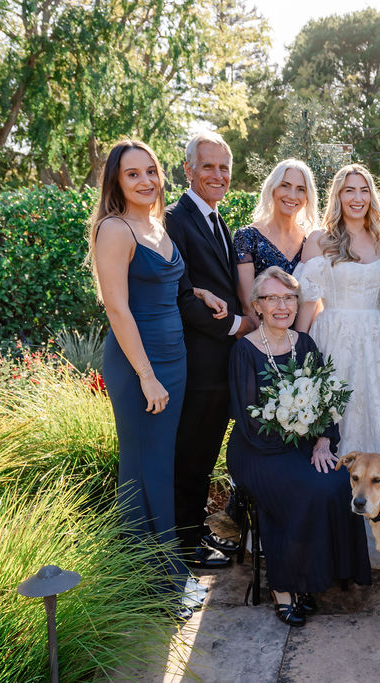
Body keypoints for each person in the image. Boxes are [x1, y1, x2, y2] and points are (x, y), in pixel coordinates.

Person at [88, 139, 228, 617]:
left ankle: (162, 568)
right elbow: (118, 307)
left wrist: (203, 293)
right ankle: (147, 581)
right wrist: (146, 375)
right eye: (133, 174)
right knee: (142, 468)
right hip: (138, 365)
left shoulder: (157, 223)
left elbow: (169, 284)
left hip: (175, 360)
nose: (146, 180)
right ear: (116, 182)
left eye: (150, 171)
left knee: (160, 467)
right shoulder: (115, 228)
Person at [226, 267, 371, 627]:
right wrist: (295, 428)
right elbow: (249, 420)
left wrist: (323, 440)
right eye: (272, 298)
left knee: (339, 483)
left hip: (304, 444)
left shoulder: (304, 344)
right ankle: (285, 587)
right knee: (303, 488)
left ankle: (314, 578)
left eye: (289, 298)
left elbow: (325, 401)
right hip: (257, 450)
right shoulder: (244, 350)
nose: (282, 306)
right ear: (257, 306)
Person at [294, 164, 380, 480]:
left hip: (376, 340)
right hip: (335, 338)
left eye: (364, 189)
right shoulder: (318, 239)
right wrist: (297, 352)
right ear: (337, 195)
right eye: (349, 190)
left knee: (379, 416)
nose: (358, 198)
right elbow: (308, 303)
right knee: (338, 416)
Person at [166, 130, 255, 570]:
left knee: (202, 460)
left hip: (222, 367)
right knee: (191, 459)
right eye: (208, 166)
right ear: (188, 169)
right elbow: (181, 299)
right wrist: (241, 324)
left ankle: (191, 533)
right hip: (198, 367)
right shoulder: (173, 220)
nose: (218, 175)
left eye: (224, 167)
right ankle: (183, 550)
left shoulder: (218, 220)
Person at [234, 159, 318, 312]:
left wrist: (300, 336)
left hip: (302, 333)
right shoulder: (247, 237)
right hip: (259, 331)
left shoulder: (310, 242)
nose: (292, 195)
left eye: (301, 189)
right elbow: (247, 304)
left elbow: (315, 300)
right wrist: (267, 336)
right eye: (284, 186)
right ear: (272, 188)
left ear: (307, 197)